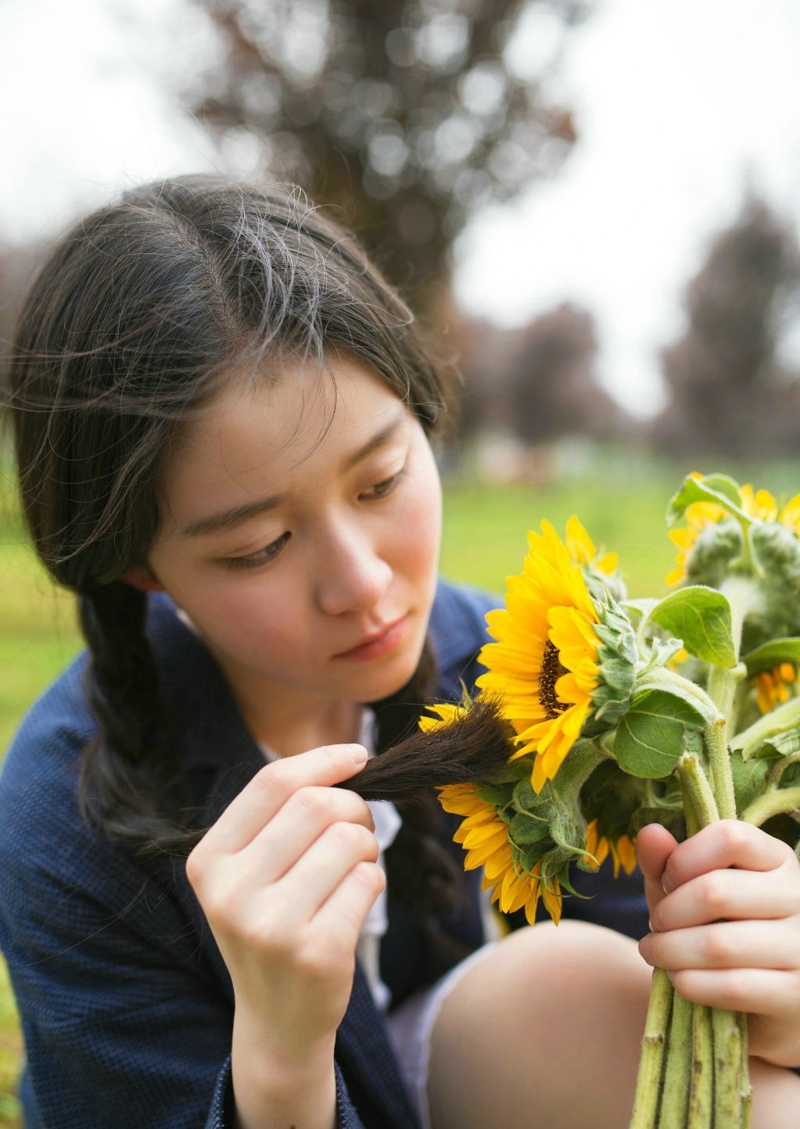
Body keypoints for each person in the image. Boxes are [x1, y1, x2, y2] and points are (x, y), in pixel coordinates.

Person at [1, 176, 800, 1129]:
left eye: (381, 480)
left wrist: (770, 997)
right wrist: (280, 1052)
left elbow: (660, 1000)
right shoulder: (65, 815)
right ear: (142, 568)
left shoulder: (532, 671)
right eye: (258, 547)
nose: (364, 585)